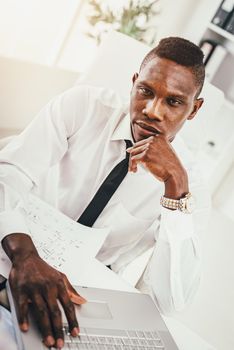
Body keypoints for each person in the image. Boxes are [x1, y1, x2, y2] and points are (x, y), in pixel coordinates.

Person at [0, 36, 208, 349]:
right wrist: (25, 254)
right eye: (146, 91)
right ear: (134, 82)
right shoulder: (83, 107)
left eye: (174, 102)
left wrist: (175, 191)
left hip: (84, 293)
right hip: (19, 247)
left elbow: (169, 300)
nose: (152, 111)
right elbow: (9, 174)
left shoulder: (190, 183)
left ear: (194, 110)